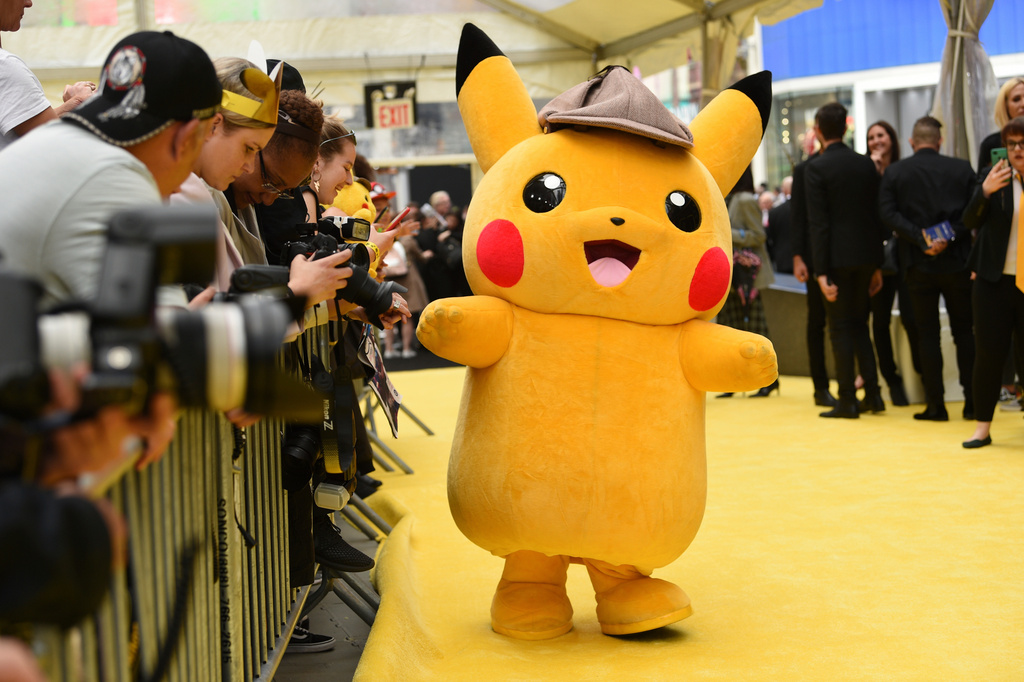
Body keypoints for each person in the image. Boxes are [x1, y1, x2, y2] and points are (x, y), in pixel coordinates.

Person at [0, 30, 221, 308]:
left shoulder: (53, 141)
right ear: (187, 138)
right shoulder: (115, 179)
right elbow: (155, 337)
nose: (181, 186)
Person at [879, 116, 976, 421]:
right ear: (939, 141)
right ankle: (973, 402)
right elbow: (974, 213)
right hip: (958, 261)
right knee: (965, 332)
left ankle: (936, 405)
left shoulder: (896, 172)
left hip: (917, 264)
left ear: (911, 142)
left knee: (927, 335)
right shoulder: (962, 169)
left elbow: (886, 213)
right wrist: (947, 236)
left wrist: (921, 237)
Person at [806, 101, 887, 418]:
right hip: (867, 256)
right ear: (846, 127)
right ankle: (875, 396)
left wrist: (821, 271)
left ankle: (847, 400)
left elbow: (820, 224)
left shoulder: (816, 168)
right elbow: (876, 215)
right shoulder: (866, 164)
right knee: (860, 326)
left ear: (818, 131)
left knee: (839, 328)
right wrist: (878, 263)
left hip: (836, 259)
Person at [961, 117, 1024, 448]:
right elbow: (968, 220)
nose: (1016, 150)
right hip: (992, 281)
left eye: (1022, 143)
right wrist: (985, 192)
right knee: (988, 355)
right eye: (1011, 143)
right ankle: (982, 428)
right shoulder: (993, 177)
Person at [0, 0, 97, 152]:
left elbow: (25, 122)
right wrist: (90, 109)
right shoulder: (5, 67)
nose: (28, 3)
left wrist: (70, 107)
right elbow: (56, 146)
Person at [716, 167, 777, 397]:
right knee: (730, 327)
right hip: (732, 275)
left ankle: (768, 380)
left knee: (752, 328)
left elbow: (758, 234)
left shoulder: (743, 200)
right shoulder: (727, 197)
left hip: (747, 274)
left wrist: (727, 232)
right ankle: (734, 381)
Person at [865, 120, 914, 406]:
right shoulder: (865, 172)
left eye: (880, 135)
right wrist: (872, 173)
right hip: (877, 260)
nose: (875, 141)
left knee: (911, 318)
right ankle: (892, 381)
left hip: (905, 256)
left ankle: (920, 377)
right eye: (871, 137)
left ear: (892, 139)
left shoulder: (904, 171)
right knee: (879, 323)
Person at [791, 153, 837, 407]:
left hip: (844, 254)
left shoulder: (852, 162)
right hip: (812, 256)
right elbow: (797, 214)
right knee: (817, 321)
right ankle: (821, 387)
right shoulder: (804, 169)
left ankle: (853, 383)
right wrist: (798, 256)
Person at [977, 77, 1024, 172]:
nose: (1023, 103)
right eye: (1016, 99)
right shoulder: (991, 144)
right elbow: (981, 183)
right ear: (1005, 105)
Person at [766, 176, 793, 274]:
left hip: (782, 260)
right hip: (806, 262)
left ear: (784, 190)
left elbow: (770, 236)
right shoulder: (807, 208)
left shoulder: (774, 212)